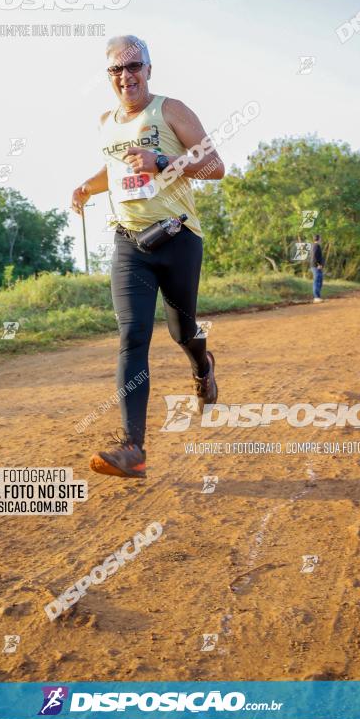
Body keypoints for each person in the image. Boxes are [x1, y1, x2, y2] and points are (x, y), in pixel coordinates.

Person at [71, 35, 225, 478]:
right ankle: (133, 448)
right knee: (133, 335)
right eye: (116, 70)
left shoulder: (171, 110)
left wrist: (162, 161)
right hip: (129, 242)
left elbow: (216, 165)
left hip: (177, 236)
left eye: (133, 66)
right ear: (108, 76)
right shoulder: (106, 121)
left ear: (149, 69)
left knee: (182, 329)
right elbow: (114, 169)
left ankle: (203, 365)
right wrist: (86, 185)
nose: (126, 76)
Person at [311, 233, 324, 303]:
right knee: (317, 281)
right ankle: (316, 297)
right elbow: (314, 256)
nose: (321, 239)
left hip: (317, 266)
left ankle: (318, 296)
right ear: (318, 239)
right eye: (320, 238)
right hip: (316, 267)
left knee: (319, 281)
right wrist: (318, 264)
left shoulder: (316, 246)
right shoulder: (316, 246)